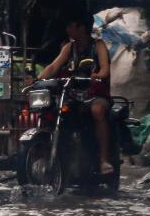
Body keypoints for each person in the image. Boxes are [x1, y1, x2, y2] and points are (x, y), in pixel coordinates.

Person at [37, 10, 114, 175]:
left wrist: (97, 76)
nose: (68, 29)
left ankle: (103, 160)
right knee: (51, 109)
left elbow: (105, 69)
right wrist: (37, 80)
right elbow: (53, 67)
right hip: (71, 93)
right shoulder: (68, 47)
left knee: (97, 111)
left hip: (95, 93)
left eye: (71, 26)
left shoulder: (98, 45)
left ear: (82, 28)